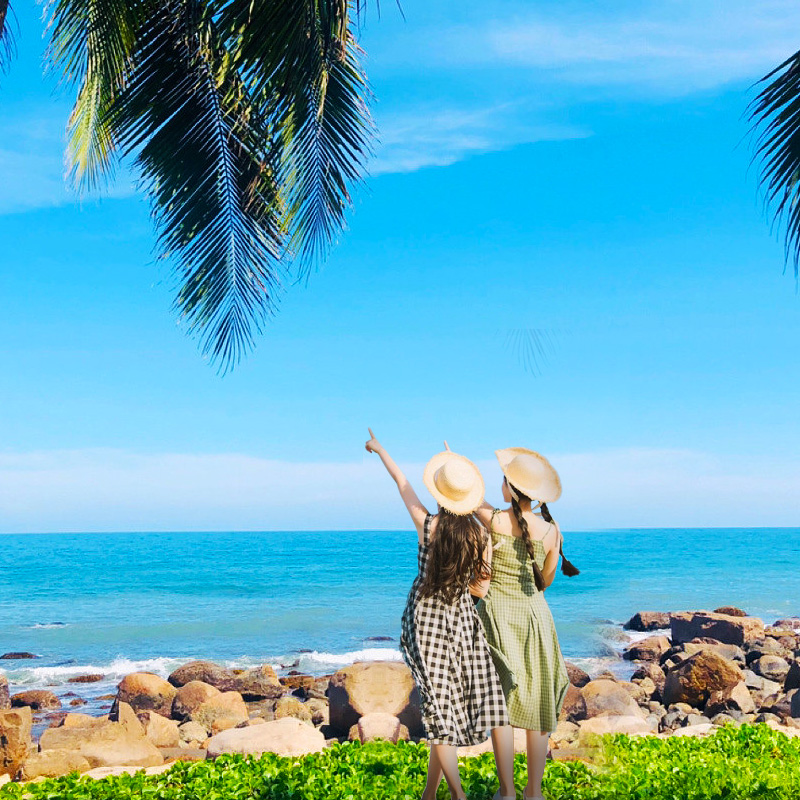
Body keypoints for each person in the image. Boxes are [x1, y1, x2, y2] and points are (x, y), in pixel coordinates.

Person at [365, 430, 513, 800]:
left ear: (439, 494)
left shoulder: (428, 526)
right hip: (463, 619)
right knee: (488, 699)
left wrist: (380, 448)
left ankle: (458, 797)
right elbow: (483, 587)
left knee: (438, 707)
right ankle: (446, 793)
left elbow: (401, 482)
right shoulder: (481, 537)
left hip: (425, 620)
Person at [473, 447, 579, 800]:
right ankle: (534, 791)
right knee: (537, 703)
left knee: (500, 706)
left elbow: (471, 499)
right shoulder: (552, 529)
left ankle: (507, 792)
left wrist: (455, 465)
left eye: (503, 480)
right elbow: (545, 582)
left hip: (498, 617)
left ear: (510, 488)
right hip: (536, 618)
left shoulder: (495, 521)